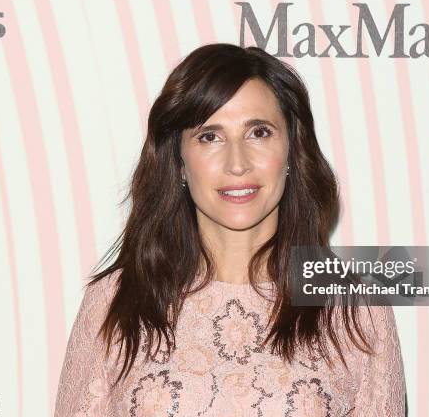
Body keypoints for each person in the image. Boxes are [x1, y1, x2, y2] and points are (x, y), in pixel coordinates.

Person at [54, 43, 407, 416]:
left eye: (259, 132)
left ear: (292, 149)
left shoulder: (354, 309)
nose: (237, 164)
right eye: (210, 136)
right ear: (178, 160)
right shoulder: (114, 301)